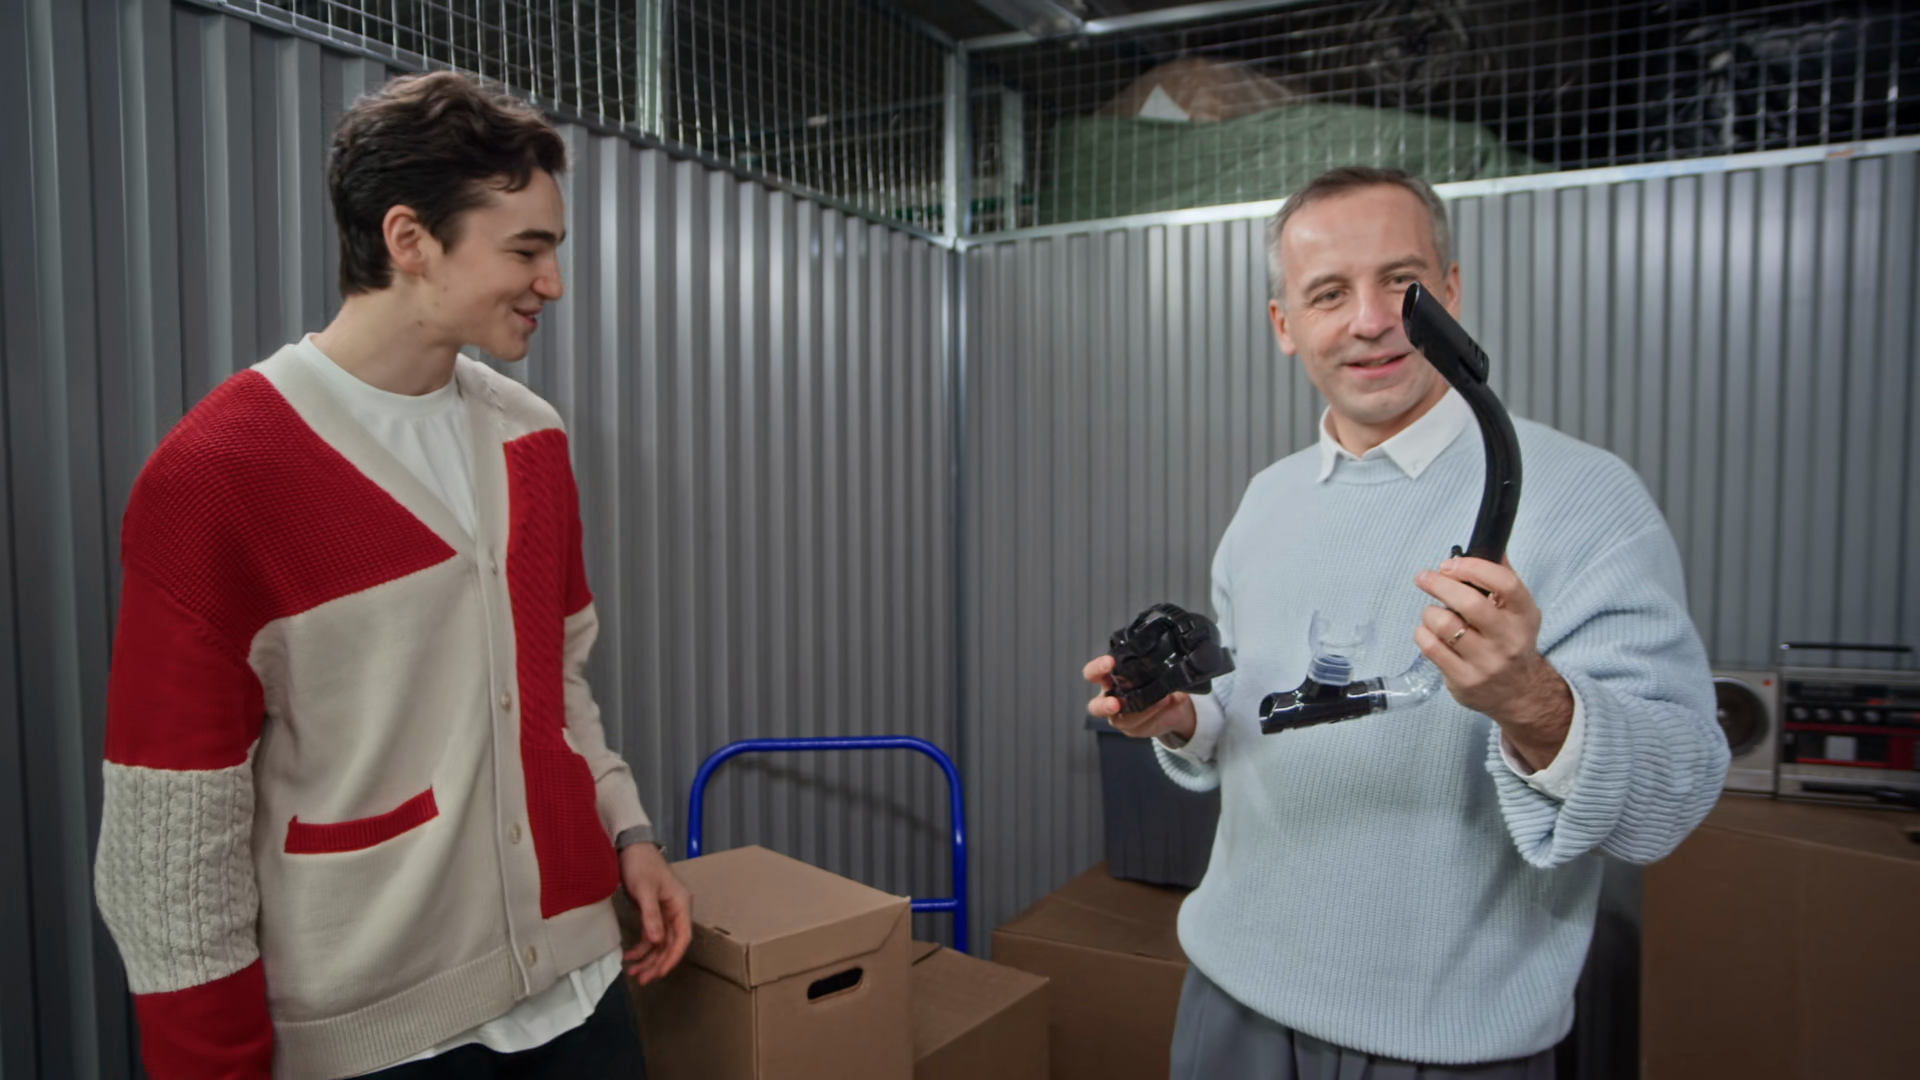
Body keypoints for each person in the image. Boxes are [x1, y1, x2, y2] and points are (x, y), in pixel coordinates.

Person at [93, 71, 688, 1079]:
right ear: (410, 239)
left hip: (582, 992)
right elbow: (171, 846)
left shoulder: (532, 438)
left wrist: (626, 828)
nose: (552, 283)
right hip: (384, 1040)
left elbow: (555, 683)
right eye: (526, 251)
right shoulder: (218, 477)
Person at [1083, 166, 1728, 1079]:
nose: (1370, 320)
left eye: (1401, 281)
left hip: (1447, 1042)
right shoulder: (1267, 502)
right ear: (1284, 325)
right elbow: (1251, 711)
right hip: (1230, 996)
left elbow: (1674, 795)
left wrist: (1536, 703)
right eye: (1328, 293)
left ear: (1449, 293)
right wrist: (1184, 721)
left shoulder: (1586, 498)